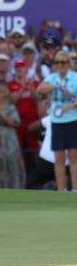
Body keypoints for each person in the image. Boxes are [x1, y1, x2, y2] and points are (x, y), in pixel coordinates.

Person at [36, 50, 77, 191]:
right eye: (58, 62)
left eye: (63, 62)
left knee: (73, 157)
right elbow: (40, 89)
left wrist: (71, 104)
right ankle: (61, 190)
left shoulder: (74, 77)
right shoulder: (52, 77)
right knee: (59, 158)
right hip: (57, 121)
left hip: (72, 119)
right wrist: (58, 86)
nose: (60, 65)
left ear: (68, 64)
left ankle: (75, 189)